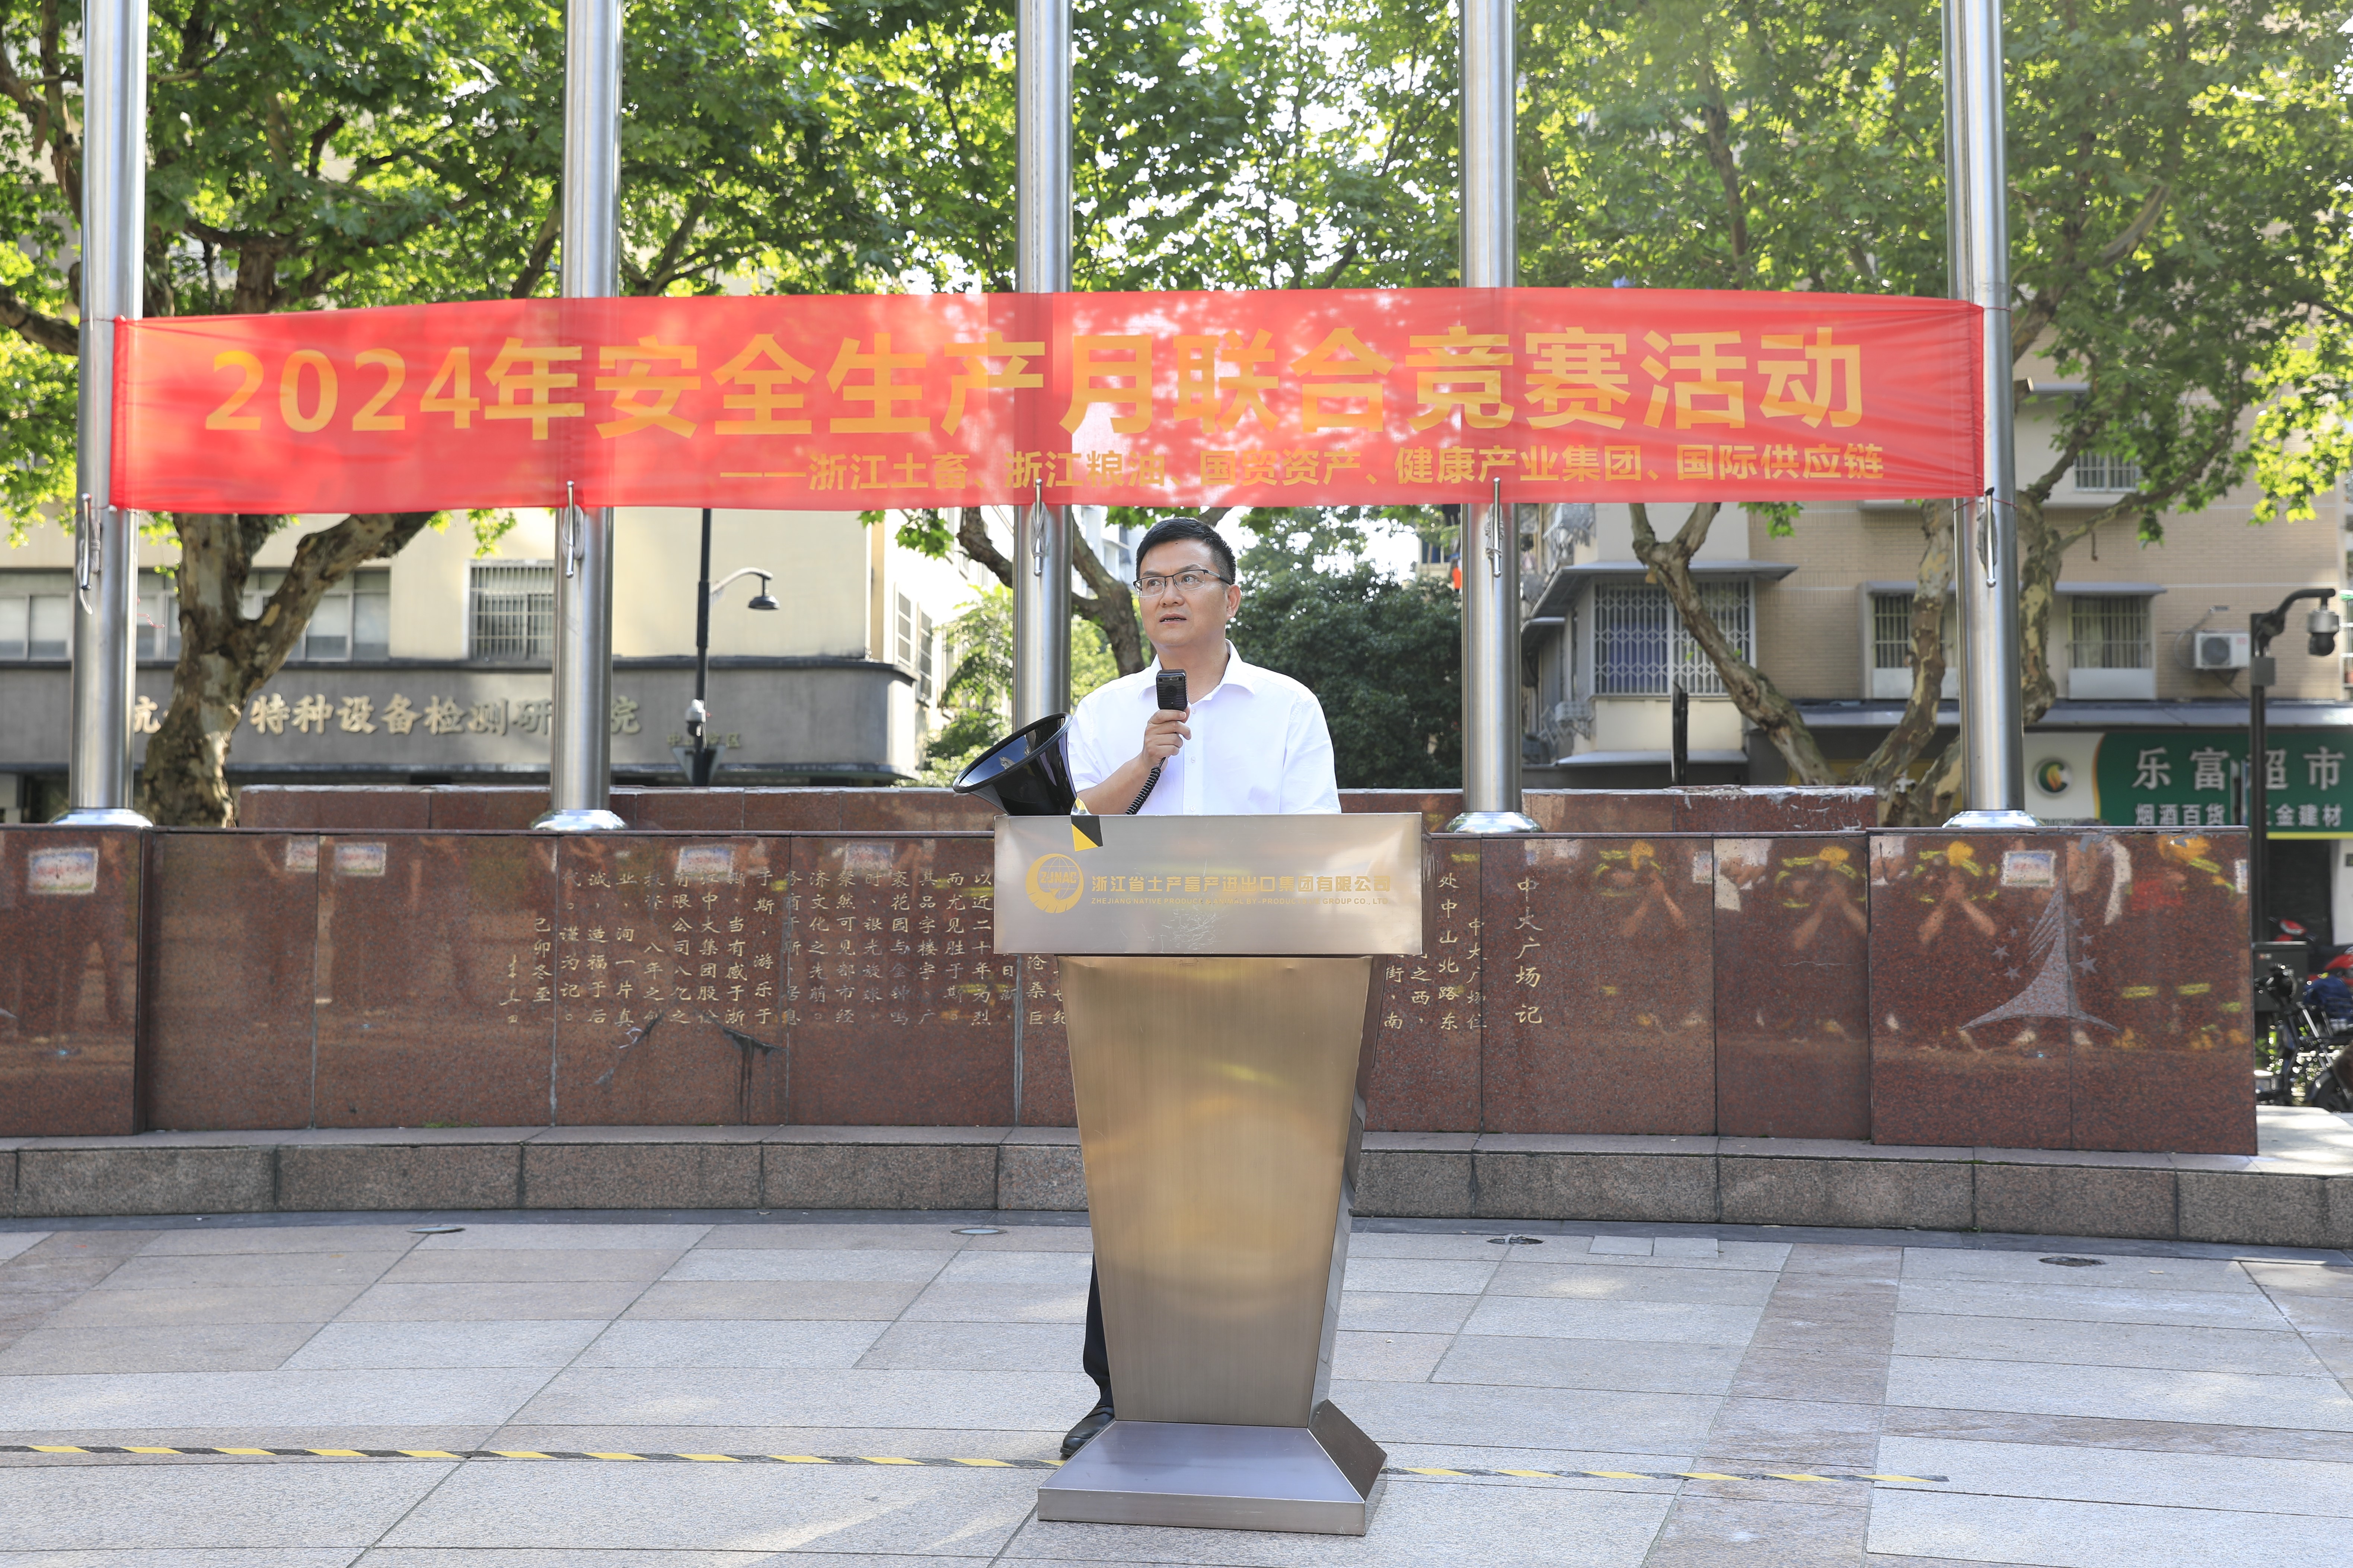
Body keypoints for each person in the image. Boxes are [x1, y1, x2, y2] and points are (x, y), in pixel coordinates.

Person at [1055, 515, 1339, 1457]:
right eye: (1151, 582)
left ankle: (1255, 1386)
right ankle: (1118, 1390)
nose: (1167, 596)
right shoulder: (1107, 712)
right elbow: (1067, 838)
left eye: (1187, 578)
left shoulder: (1287, 706)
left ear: (1230, 596)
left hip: (1261, 975)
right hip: (1131, 975)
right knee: (1132, 1182)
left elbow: (1316, 842)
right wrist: (1143, 761)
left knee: (1258, 1174)